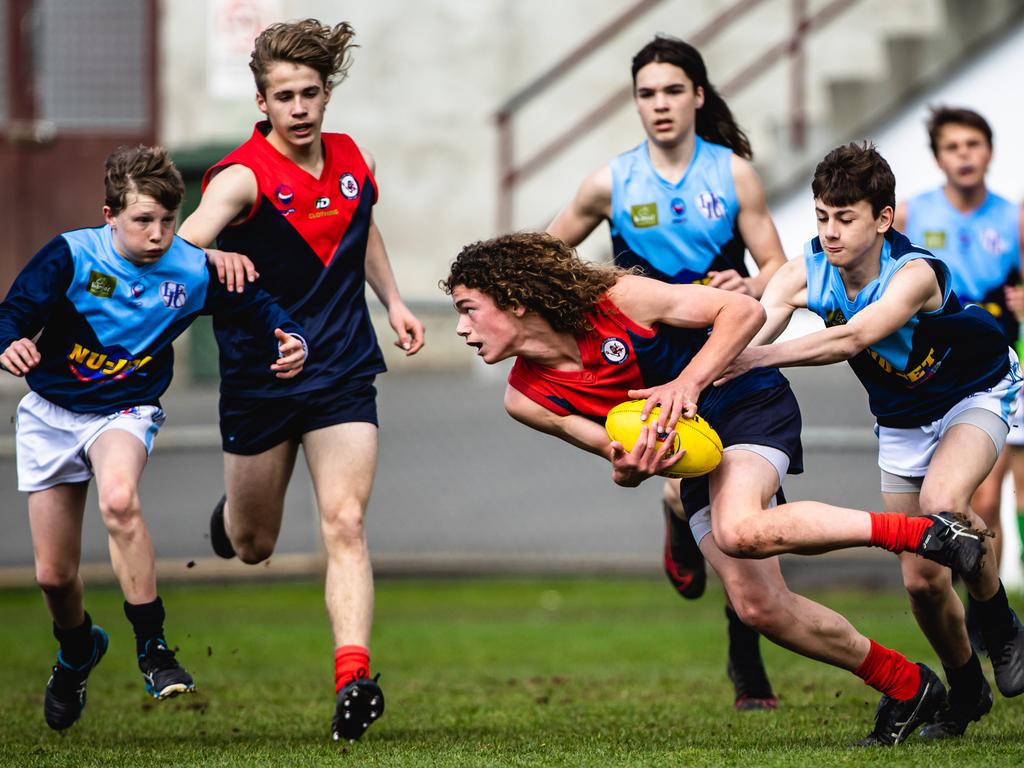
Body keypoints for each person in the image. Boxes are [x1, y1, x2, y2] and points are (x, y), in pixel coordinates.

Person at [443, 230, 995, 746]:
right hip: (695, 451)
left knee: (738, 529)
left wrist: (689, 381)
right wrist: (631, 469)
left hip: (744, 399)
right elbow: (615, 453)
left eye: (469, 310)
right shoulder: (524, 398)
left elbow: (743, 310)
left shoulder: (618, 298)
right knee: (759, 607)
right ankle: (909, 687)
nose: (463, 329)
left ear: (514, 300)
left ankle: (922, 535)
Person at [719, 141, 1024, 741]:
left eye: (846, 217)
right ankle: (965, 692)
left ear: (883, 219)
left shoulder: (913, 274)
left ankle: (1001, 623)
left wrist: (755, 358)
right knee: (921, 580)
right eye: (821, 217)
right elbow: (764, 317)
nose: (830, 233)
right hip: (903, 420)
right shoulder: (806, 269)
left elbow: (850, 339)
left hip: (977, 395)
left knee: (943, 504)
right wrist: (704, 372)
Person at [0, 145, 306, 731]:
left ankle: (153, 648)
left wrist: (289, 336)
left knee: (119, 497)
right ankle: (76, 651)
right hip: (52, 411)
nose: (159, 234)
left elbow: (258, 306)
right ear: (110, 214)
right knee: (52, 576)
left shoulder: (194, 268)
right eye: (143, 220)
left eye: (168, 220)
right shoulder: (70, 255)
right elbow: (11, 314)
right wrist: (10, 342)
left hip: (125, 409)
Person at [177, 19, 424, 742]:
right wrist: (212, 259)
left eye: (310, 92)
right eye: (284, 96)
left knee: (345, 522)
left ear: (325, 93)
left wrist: (396, 301)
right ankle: (229, 520)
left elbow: (361, 225)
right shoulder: (239, 178)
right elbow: (183, 250)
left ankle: (353, 678)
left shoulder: (355, 159)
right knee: (255, 543)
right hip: (260, 379)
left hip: (343, 367)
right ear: (262, 101)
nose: (299, 108)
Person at [546, 35, 787, 709]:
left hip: (726, 356)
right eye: (647, 93)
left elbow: (778, 266)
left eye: (673, 90)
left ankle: (747, 667)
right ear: (636, 102)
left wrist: (752, 281)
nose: (660, 105)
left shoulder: (733, 173)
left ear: (698, 96)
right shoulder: (610, 182)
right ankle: (677, 508)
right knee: (701, 496)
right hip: (653, 370)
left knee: (754, 515)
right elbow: (542, 256)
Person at [895, 106, 1024, 568]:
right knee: (939, 504)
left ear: (989, 152)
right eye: (953, 147)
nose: (964, 155)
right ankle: (947, 589)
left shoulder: (1014, 218)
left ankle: (986, 618)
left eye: (973, 145)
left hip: (995, 368)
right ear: (938, 158)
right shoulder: (911, 213)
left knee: (985, 501)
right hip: (930, 371)